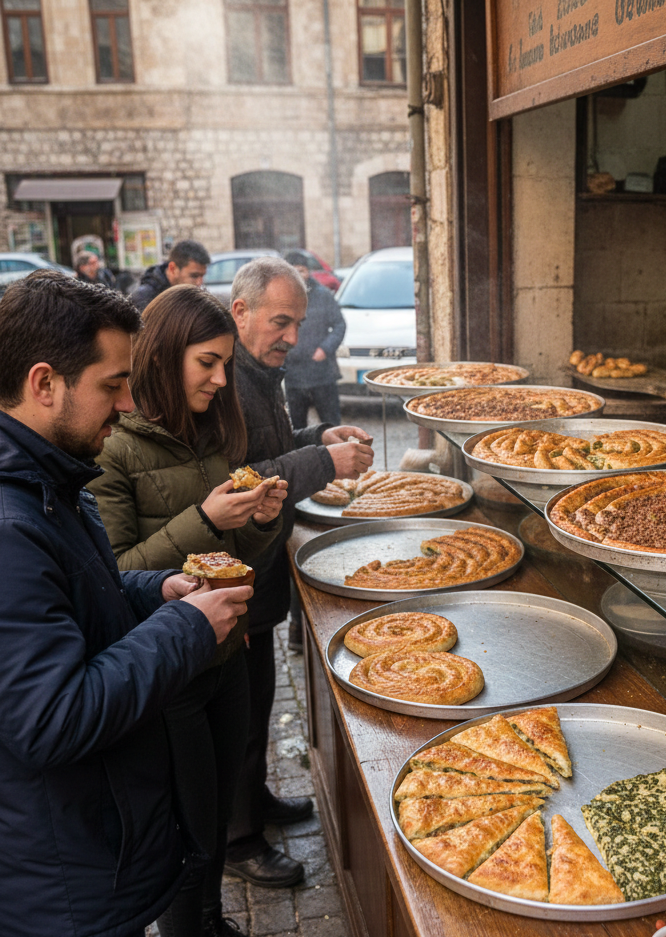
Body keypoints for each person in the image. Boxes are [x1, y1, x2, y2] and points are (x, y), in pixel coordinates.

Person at [0, 271, 252, 937]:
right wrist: (184, 627)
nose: (125, 402)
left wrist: (156, 589)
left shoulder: (49, 477)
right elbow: (51, 717)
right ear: (44, 382)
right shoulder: (11, 522)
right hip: (60, 883)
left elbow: (87, 594)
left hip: (90, 844)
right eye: (112, 385)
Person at [89, 286, 287, 937]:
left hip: (226, 656)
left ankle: (210, 920)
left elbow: (236, 554)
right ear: (166, 354)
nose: (221, 377)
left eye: (225, 363)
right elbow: (116, 574)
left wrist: (259, 518)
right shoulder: (115, 448)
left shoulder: (211, 433)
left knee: (218, 817)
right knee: (190, 833)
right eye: (207, 362)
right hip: (170, 677)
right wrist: (202, 517)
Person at [224, 256, 373, 888]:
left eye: (298, 322)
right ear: (241, 312)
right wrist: (324, 460)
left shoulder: (259, 372)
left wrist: (318, 433)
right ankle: (237, 840)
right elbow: (250, 473)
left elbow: (272, 443)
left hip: (257, 574)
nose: (292, 336)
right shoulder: (225, 376)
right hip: (235, 571)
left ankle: (253, 802)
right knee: (235, 711)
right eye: (280, 322)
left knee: (258, 701)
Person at [281, 248, 346, 428]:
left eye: (301, 270)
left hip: (322, 373)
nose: (298, 276)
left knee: (331, 424)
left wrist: (325, 348)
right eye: (292, 271)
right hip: (293, 374)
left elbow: (340, 325)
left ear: (308, 272)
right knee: (296, 428)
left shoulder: (323, 296)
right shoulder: (280, 299)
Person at [131, 238, 210, 310]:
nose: (200, 282)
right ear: (172, 268)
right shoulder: (144, 299)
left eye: (202, 276)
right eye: (194, 276)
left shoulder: (195, 296)